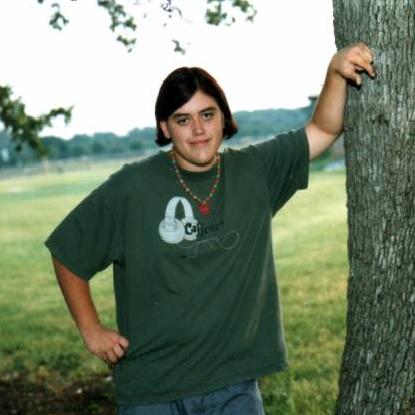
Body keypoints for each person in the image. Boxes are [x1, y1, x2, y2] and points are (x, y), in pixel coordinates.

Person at [45, 42, 375, 415]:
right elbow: (68, 251)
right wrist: (91, 330)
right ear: (165, 127)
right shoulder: (132, 187)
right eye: (183, 119)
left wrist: (335, 72)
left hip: (233, 386)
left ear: (223, 117)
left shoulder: (255, 170)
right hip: (152, 391)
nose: (199, 129)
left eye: (207, 114)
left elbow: (324, 129)